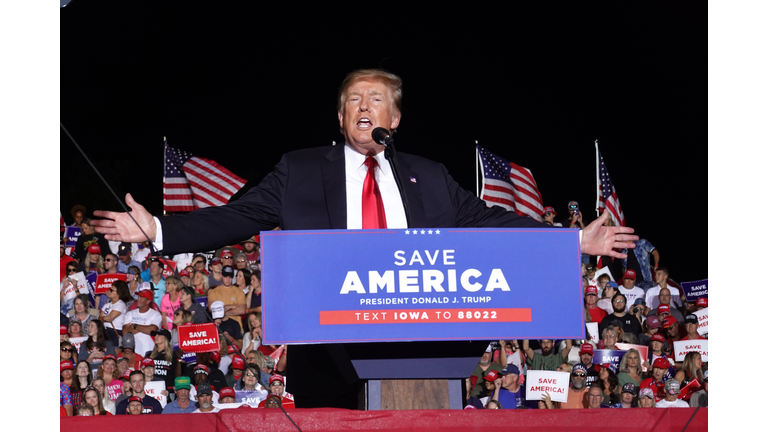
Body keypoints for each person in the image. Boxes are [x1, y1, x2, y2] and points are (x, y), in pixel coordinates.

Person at [92, 68, 638, 409]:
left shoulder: (428, 174)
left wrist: (571, 241)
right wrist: (159, 229)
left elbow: (486, 219)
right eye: (354, 100)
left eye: (375, 100)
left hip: (424, 346)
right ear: (340, 115)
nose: (363, 108)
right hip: (331, 349)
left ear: (393, 118)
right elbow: (241, 214)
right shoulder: (303, 169)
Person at [122, 286, 162, 356]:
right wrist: (146, 327)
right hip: (133, 353)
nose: (138, 299)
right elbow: (125, 332)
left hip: (149, 352)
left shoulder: (156, 314)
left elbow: (152, 330)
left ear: (148, 301)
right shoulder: (130, 313)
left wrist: (134, 326)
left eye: (141, 298)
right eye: (138, 297)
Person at [207, 266, 247, 332]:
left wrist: (221, 312)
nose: (228, 279)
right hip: (219, 328)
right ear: (221, 275)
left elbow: (242, 310)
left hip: (236, 329)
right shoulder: (213, 292)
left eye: (230, 277)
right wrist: (233, 306)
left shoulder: (239, 292)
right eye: (225, 276)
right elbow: (212, 309)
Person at [99, 280, 131, 347]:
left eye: (111, 290)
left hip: (114, 332)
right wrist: (104, 318)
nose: (109, 291)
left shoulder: (120, 304)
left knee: (114, 354)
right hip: (104, 331)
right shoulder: (107, 304)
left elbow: (109, 318)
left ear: (119, 293)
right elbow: (99, 318)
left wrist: (103, 318)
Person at [146, 329, 178, 394]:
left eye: (159, 335)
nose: (156, 337)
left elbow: (176, 374)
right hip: (151, 388)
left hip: (168, 390)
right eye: (155, 335)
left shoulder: (173, 355)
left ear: (165, 338)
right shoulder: (149, 355)